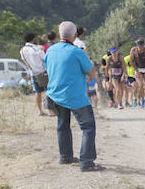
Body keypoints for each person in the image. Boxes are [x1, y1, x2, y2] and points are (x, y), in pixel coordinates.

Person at [43, 21, 103, 172]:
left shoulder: (50, 50)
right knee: (88, 127)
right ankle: (87, 162)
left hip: (55, 94)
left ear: (59, 34)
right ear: (75, 35)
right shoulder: (77, 52)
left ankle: (65, 157)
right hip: (75, 96)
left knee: (62, 126)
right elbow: (91, 73)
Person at [20, 32, 50, 116]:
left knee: (38, 92)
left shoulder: (22, 50)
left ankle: (40, 110)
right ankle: (51, 110)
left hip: (33, 73)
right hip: (43, 73)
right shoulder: (37, 49)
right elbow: (45, 59)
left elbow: (24, 61)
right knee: (48, 91)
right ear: (33, 39)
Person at [129, 38, 145, 109]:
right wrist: (136, 70)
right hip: (138, 69)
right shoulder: (133, 50)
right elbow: (131, 61)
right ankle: (142, 100)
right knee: (141, 85)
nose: (139, 47)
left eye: (140, 45)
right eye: (138, 45)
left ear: (143, 45)